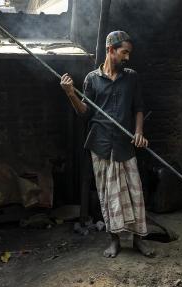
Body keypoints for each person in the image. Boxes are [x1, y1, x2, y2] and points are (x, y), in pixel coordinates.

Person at [60, 31, 153, 258]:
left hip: (125, 144)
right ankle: (115, 241)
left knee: (135, 193)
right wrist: (71, 94)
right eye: (124, 52)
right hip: (101, 145)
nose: (127, 58)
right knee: (108, 196)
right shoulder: (92, 79)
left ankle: (139, 240)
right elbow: (84, 113)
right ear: (110, 50)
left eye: (128, 53)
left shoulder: (132, 77)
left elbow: (138, 107)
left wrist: (139, 132)